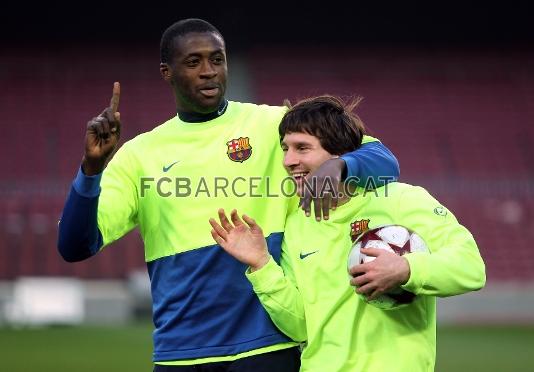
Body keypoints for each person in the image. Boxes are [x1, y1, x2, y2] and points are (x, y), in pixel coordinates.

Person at [57, 19, 400, 371]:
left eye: (217, 60)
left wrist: (338, 168)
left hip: (271, 345)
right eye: (193, 62)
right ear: (167, 72)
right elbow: (74, 246)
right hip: (181, 351)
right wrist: (91, 170)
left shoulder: (275, 126)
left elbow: (385, 163)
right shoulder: (139, 154)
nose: (209, 72)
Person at [210, 95, 486, 371]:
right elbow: (300, 326)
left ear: (337, 157)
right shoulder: (297, 225)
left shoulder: (402, 199)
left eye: (302, 148)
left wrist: (406, 269)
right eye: (285, 148)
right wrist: (261, 264)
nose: (288, 160)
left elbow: (470, 267)